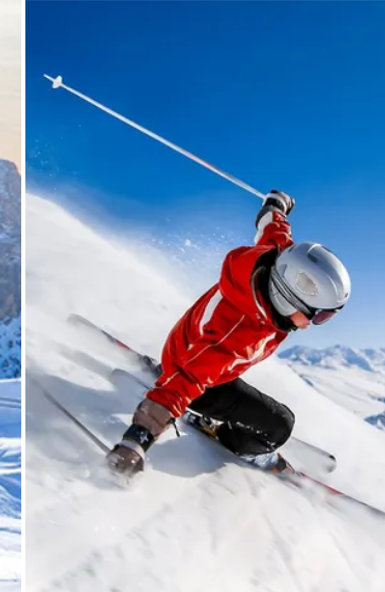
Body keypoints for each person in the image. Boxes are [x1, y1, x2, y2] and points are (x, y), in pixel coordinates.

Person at [105, 191, 351, 476]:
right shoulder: (238, 331)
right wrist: (136, 442)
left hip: (188, 352)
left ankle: (169, 376)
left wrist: (276, 205)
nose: (315, 323)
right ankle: (227, 436)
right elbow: (188, 379)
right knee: (280, 425)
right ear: (288, 297)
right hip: (196, 378)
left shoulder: (273, 260)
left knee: (212, 376)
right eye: (319, 315)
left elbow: (273, 227)